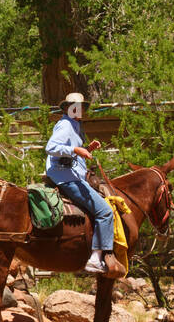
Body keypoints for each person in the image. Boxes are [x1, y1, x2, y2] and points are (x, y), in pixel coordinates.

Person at [45, 92, 123, 278]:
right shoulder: (65, 124)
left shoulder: (75, 125)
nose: (79, 110)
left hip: (70, 175)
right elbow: (51, 147)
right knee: (105, 211)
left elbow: (71, 154)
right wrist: (76, 149)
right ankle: (96, 258)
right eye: (74, 106)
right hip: (66, 177)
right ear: (66, 108)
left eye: (81, 107)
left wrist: (86, 150)